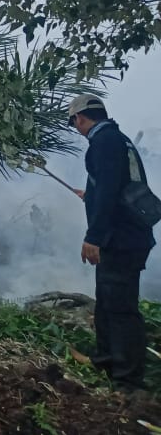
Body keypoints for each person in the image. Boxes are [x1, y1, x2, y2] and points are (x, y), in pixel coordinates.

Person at [68, 92, 155, 394]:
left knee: (121, 308)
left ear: (80, 118)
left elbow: (108, 190)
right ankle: (106, 360)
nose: (76, 127)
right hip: (128, 235)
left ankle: (129, 381)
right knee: (106, 301)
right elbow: (113, 185)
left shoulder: (103, 143)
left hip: (120, 239)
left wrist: (93, 237)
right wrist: (90, 195)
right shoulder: (118, 139)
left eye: (74, 121)